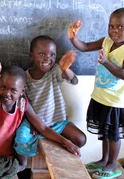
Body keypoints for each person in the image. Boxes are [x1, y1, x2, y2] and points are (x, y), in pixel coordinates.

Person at [68, 8, 124, 179]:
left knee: (113, 134)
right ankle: (104, 159)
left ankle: (112, 165)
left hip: (117, 101)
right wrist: (73, 38)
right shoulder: (106, 42)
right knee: (105, 131)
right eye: (111, 26)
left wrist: (106, 62)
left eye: (120, 27)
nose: (114, 30)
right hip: (101, 96)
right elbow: (84, 47)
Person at [14, 35, 86, 171]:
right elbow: (22, 106)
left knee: (80, 139)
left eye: (52, 55)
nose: (48, 58)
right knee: (20, 141)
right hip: (34, 122)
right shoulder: (24, 77)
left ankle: (54, 149)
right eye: (42, 54)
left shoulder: (54, 71)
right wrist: (33, 124)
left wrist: (65, 69)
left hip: (57, 121)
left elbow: (74, 81)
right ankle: (22, 164)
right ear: (31, 56)